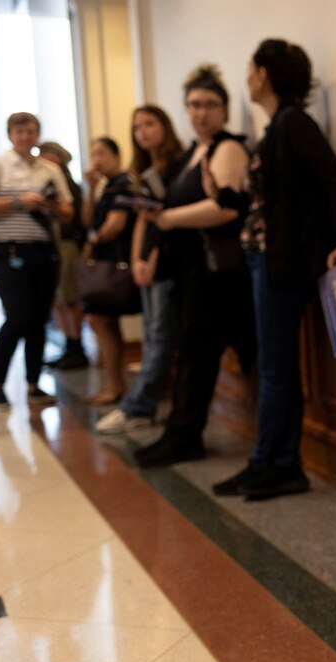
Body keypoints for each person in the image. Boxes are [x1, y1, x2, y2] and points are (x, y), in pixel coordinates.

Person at [210, 39, 336, 499]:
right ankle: (281, 462)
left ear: (267, 75)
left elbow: (333, 181)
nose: (247, 75)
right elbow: (274, 202)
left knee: (275, 368)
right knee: (277, 367)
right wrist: (229, 197)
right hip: (264, 260)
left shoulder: (293, 124)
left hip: (280, 264)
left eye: (252, 68)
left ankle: (269, 463)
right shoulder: (277, 128)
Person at [133, 65, 255, 468]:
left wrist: (169, 219)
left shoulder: (229, 148)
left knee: (202, 355)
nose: (200, 112)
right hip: (195, 273)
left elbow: (223, 210)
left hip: (220, 274)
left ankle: (188, 437)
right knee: (194, 356)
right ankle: (183, 434)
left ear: (223, 109)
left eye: (209, 104)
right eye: (193, 105)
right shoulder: (193, 153)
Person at [0, 112, 74, 408]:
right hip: (9, 251)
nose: (26, 136)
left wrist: (49, 206)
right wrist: (19, 202)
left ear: (38, 134)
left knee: (39, 321)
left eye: (31, 131)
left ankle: (33, 383)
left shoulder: (49, 170)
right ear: (10, 134)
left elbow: (68, 211)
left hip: (43, 250)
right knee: (17, 317)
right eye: (20, 131)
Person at [95, 105, 185, 434]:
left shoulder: (178, 164)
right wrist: (137, 259)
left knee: (161, 335)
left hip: (169, 260)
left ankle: (138, 405)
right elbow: (142, 220)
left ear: (165, 125)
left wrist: (152, 260)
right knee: (151, 334)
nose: (142, 132)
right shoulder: (142, 169)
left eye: (149, 124)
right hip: (147, 260)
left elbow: (167, 220)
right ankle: (144, 400)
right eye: (137, 127)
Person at [79, 137, 141, 405]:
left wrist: (92, 242)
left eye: (102, 153)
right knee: (100, 320)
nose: (96, 159)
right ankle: (114, 383)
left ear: (116, 155)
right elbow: (87, 221)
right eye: (92, 154)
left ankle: (115, 384)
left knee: (100, 319)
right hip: (109, 263)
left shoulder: (124, 185)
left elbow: (115, 225)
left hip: (123, 263)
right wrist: (90, 190)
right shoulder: (106, 187)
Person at [38, 141, 89, 371]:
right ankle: (69, 345)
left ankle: (76, 346)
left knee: (69, 297)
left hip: (67, 244)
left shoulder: (66, 185)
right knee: (58, 299)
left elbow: (74, 217)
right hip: (53, 244)